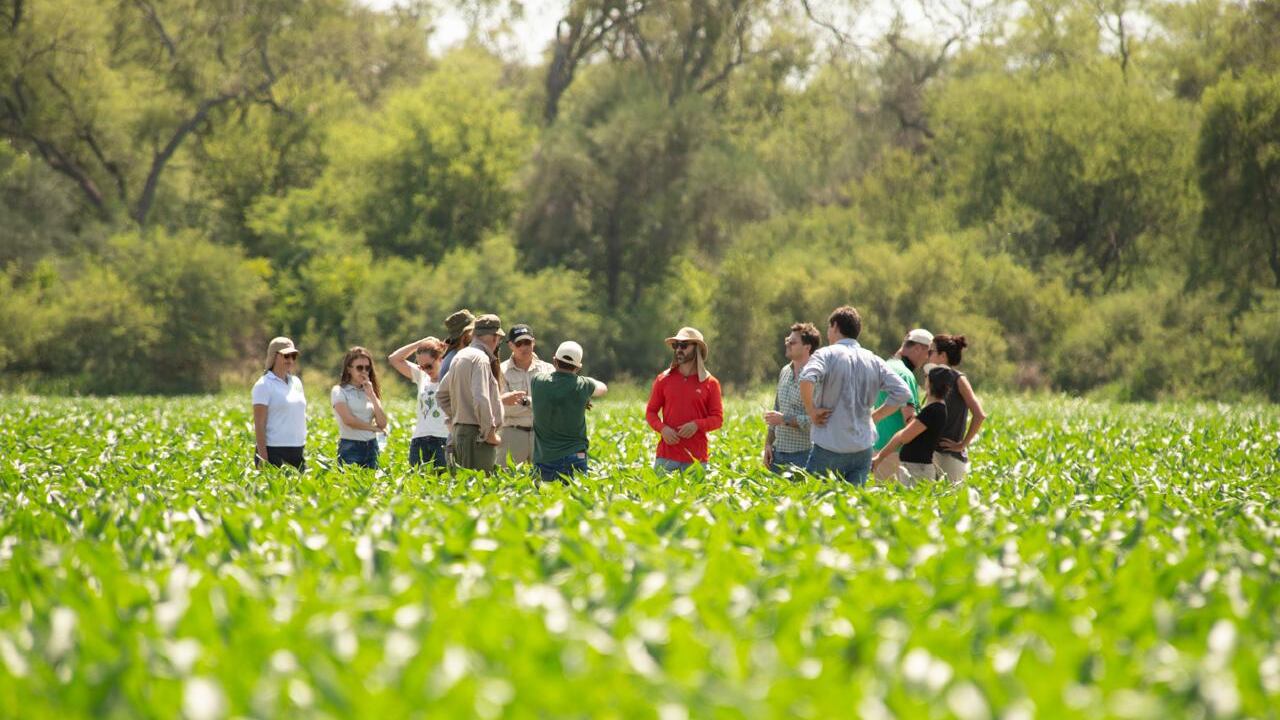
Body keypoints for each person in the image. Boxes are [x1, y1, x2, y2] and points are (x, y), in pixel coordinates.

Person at [799, 306, 912, 486]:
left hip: (830, 445)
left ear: (835, 326)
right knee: (852, 506)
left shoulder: (826, 354)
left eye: (829, 328)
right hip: (862, 448)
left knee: (816, 503)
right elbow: (903, 392)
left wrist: (811, 411)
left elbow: (806, 378)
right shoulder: (873, 359)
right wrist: (875, 417)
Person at [645, 327, 724, 473]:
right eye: (676, 346)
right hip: (665, 458)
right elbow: (650, 412)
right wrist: (663, 429)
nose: (678, 350)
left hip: (697, 461)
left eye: (684, 345)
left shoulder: (711, 383)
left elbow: (718, 419)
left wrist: (697, 425)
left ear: (697, 349)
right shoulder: (663, 379)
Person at [530, 341, 608, 482]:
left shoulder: (537, 381)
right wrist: (582, 396)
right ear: (578, 368)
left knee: (544, 502)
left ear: (554, 361)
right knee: (574, 501)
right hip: (575, 456)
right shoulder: (583, 385)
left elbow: (554, 385)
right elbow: (603, 388)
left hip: (545, 457)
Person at [437, 314, 506, 473]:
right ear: (495, 337)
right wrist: (488, 433)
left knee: (463, 488)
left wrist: (459, 416)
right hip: (478, 438)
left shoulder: (460, 355)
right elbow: (481, 398)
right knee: (481, 490)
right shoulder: (480, 359)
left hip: (461, 433)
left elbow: (441, 394)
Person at [872, 366, 955, 485]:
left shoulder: (933, 410)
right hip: (918, 468)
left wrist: (880, 457)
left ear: (929, 383)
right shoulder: (937, 408)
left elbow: (904, 437)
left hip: (917, 470)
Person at [871, 328, 933, 481]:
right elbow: (909, 418)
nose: (927, 359)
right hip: (896, 453)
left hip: (877, 447)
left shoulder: (885, 366)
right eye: (928, 353)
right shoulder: (905, 374)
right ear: (918, 348)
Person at [928, 334, 988, 483]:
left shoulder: (958, 379)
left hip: (949, 457)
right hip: (931, 452)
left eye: (931, 352)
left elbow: (979, 415)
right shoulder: (933, 378)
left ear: (943, 356)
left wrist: (962, 444)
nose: (928, 356)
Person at [762, 322, 821, 474]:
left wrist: (784, 419)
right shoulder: (784, 371)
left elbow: (816, 421)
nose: (788, 344)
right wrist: (768, 444)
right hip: (777, 454)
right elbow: (777, 409)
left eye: (793, 342)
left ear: (807, 347)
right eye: (787, 340)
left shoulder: (816, 377)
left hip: (803, 456)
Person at [388, 336, 449, 469]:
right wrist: (420, 343)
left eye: (429, 366)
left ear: (441, 359)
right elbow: (394, 359)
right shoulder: (422, 376)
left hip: (443, 440)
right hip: (419, 440)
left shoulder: (451, 377)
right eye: (422, 367)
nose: (426, 370)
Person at [498, 324, 553, 466]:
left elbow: (553, 404)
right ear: (510, 345)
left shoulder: (548, 369)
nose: (524, 347)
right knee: (509, 482)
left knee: (544, 482)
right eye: (519, 343)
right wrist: (539, 404)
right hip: (512, 434)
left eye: (527, 342)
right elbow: (505, 409)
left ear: (533, 342)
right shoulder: (500, 371)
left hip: (542, 436)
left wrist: (526, 402)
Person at [251, 337, 307, 470]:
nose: (291, 360)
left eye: (293, 356)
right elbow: (259, 424)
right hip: (274, 450)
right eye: (286, 355)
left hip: (297, 450)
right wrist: (263, 458)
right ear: (274, 356)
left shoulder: (296, 382)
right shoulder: (263, 385)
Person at [331, 347, 388, 469]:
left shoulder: (370, 391)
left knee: (372, 485)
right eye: (359, 367)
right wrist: (373, 429)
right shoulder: (339, 391)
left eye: (367, 368)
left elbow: (382, 423)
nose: (364, 371)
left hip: (372, 446)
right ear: (349, 369)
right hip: (350, 446)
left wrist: (372, 395)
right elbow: (349, 421)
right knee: (349, 486)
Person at [439, 309, 475, 378]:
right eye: (472, 331)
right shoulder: (455, 361)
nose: (474, 334)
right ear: (465, 334)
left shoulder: (456, 357)